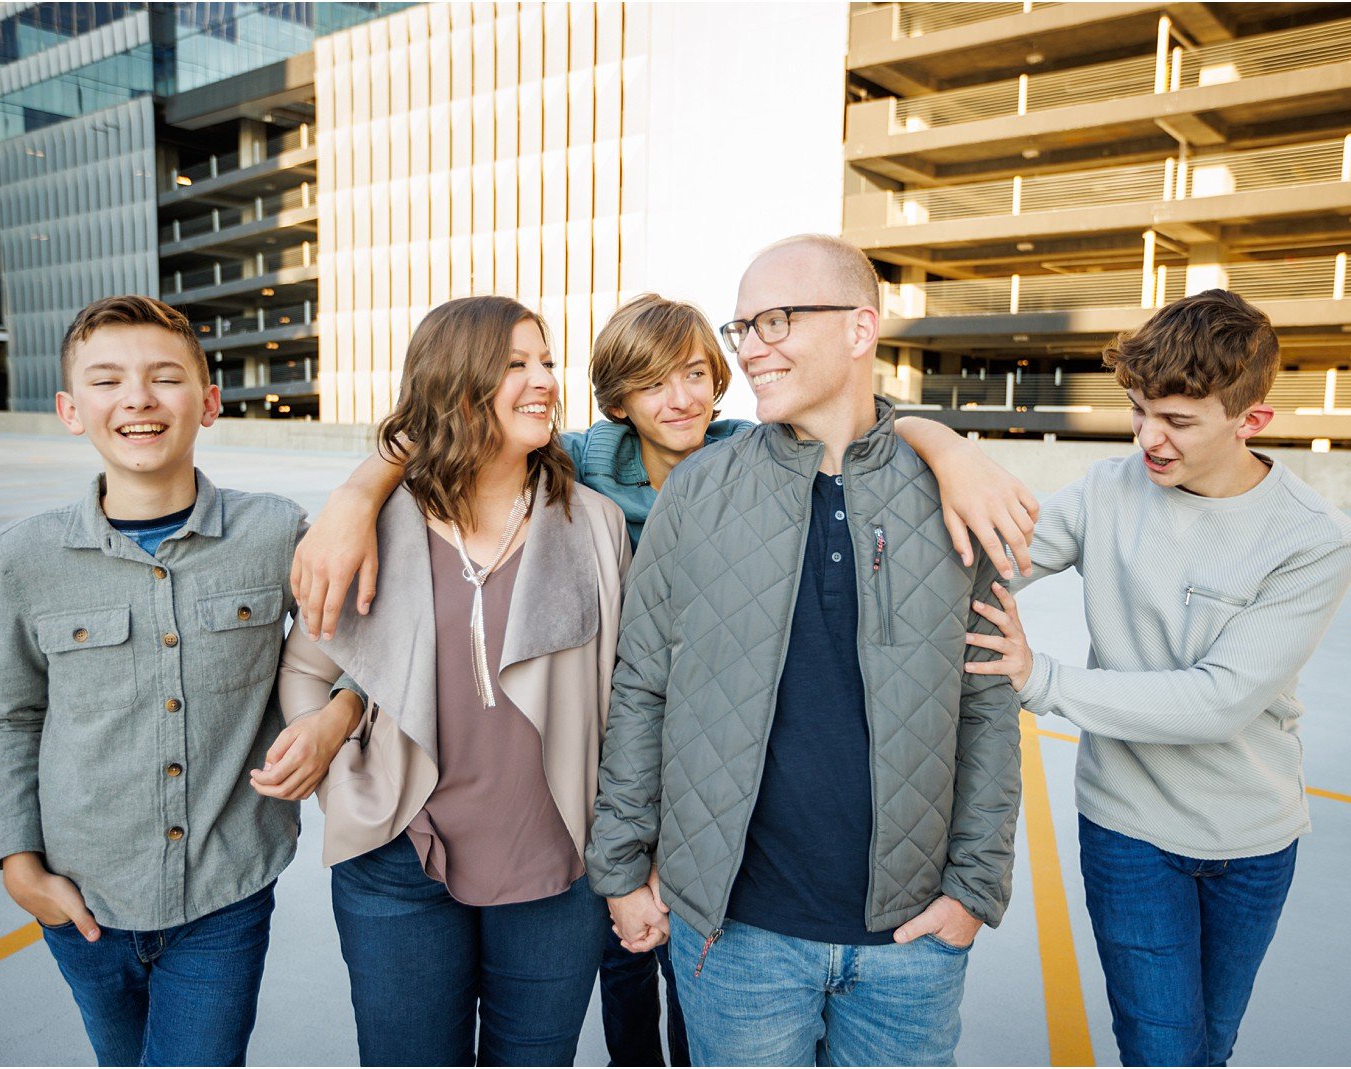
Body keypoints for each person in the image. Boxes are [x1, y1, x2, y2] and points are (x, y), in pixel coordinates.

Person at [290, 292, 1039, 1065]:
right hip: (610, 786)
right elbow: (450, 436)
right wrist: (358, 491)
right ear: (616, 404)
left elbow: (861, 432)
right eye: (650, 383)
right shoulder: (580, 467)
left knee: (696, 1003)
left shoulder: (759, 454)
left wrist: (947, 444)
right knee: (624, 981)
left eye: (693, 374)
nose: (677, 398)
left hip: (693, 800)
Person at [584, 234, 1024, 1067]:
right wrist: (620, 865)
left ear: (861, 329)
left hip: (910, 942)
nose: (751, 346)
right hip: (739, 937)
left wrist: (974, 890)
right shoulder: (699, 491)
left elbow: (987, 702)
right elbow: (642, 687)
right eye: (744, 325)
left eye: (777, 320)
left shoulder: (959, 493)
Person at [959, 290, 1351, 1066]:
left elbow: (1220, 700)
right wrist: (944, 451)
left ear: (1252, 420)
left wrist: (1041, 677)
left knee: (1207, 1048)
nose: (1149, 436)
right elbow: (988, 558)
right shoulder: (1110, 490)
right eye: (1140, 409)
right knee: (1163, 1050)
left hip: (1253, 841)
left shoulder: (1318, 541)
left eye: (1179, 420)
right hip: (1129, 830)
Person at [0, 295, 363, 1066]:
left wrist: (337, 715)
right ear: (69, 408)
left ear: (209, 401)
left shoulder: (274, 531)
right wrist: (19, 865)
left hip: (225, 892)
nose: (138, 399)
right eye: (107, 380)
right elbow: (11, 715)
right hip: (79, 897)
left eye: (165, 377)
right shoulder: (25, 557)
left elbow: (363, 651)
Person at [274, 295, 631, 1066]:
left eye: (545, 361)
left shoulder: (595, 524)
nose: (542, 380)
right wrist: (349, 780)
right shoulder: (375, 523)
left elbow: (630, 699)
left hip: (555, 864)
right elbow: (306, 665)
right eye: (514, 364)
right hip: (400, 861)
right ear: (456, 382)